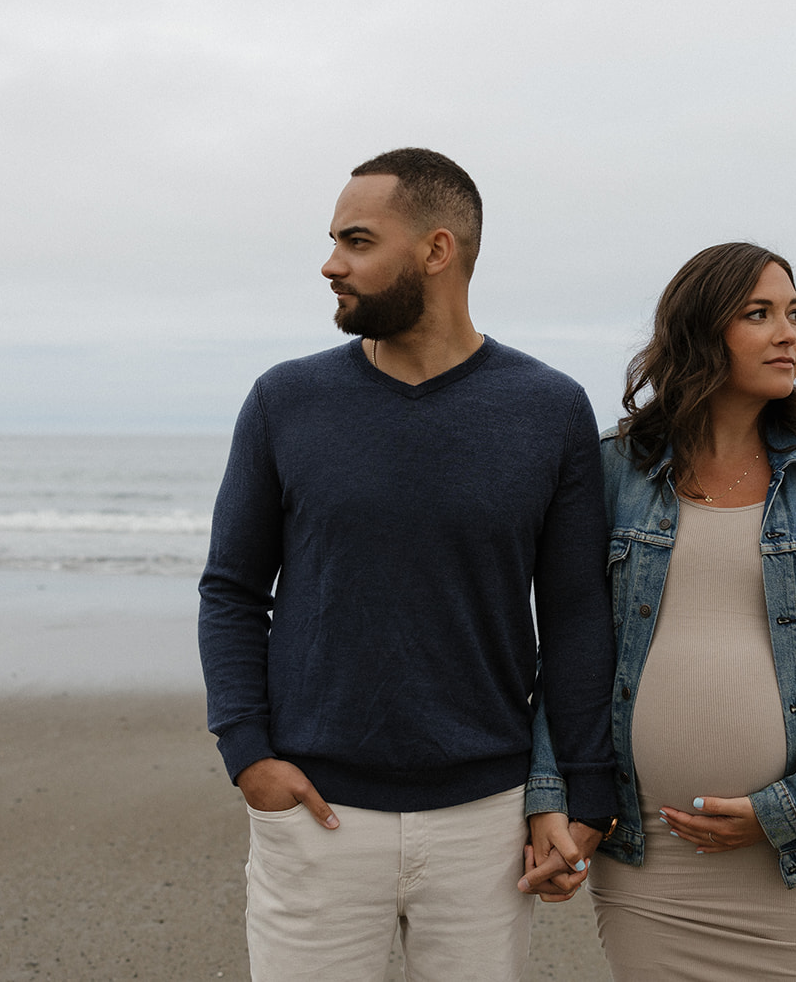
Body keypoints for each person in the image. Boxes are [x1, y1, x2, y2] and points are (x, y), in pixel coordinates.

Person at [198, 148, 617, 981]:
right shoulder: (286, 400)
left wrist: (583, 790)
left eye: (356, 241)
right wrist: (246, 751)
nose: (330, 264)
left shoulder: (549, 408)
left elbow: (576, 612)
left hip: (485, 819)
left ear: (436, 250)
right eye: (332, 241)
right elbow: (234, 589)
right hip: (315, 811)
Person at [523, 241, 796, 980]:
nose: (788, 332)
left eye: (794, 313)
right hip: (649, 853)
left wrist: (792, 807)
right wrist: (550, 794)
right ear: (703, 331)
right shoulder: (615, 469)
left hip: (791, 855)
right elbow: (569, 642)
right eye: (759, 314)